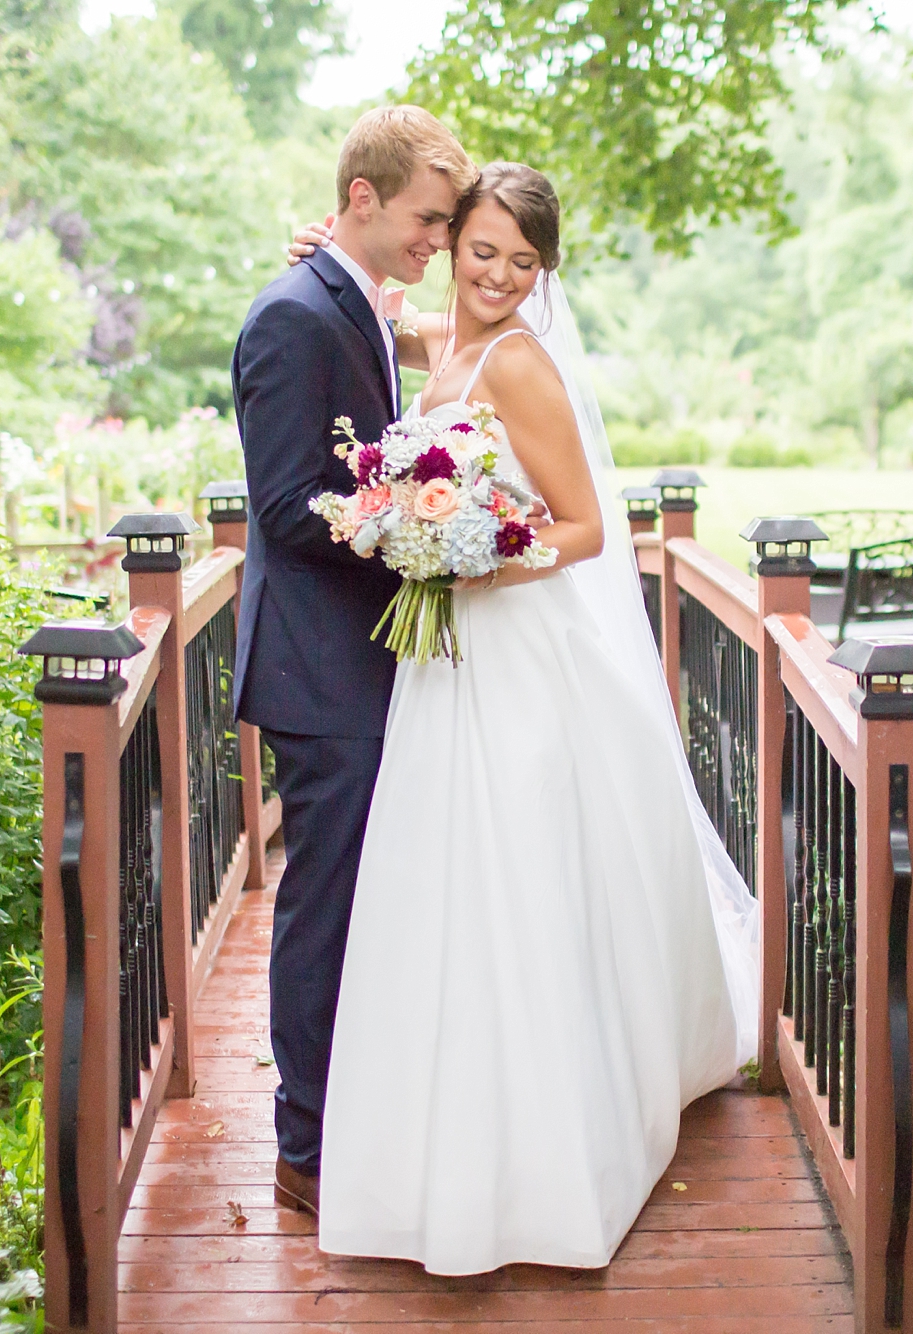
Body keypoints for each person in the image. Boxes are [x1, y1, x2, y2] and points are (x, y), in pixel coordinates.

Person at [283, 165, 761, 1273]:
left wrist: (489, 557)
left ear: (543, 272)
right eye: (482, 250)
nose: (497, 275)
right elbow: (382, 310)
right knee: (441, 881)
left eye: (521, 262)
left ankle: (544, 1147)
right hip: (441, 661)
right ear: (453, 244)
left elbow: (588, 526)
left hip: (509, 642)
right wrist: (328, 250)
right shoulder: (442, 338)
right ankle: (438, 1129)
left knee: (512, 878)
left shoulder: (522, 363)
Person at [229, 105, 477, 1217]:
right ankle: (305, 1151)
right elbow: (285, 505)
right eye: (428, 219)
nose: (436, 239)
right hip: (323, 671)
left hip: (368, 659)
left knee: (371, 900)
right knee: (323, 907)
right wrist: (415, 529)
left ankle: (363, 1119)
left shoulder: (360, 303)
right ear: (363, 199)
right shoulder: (291, 315)